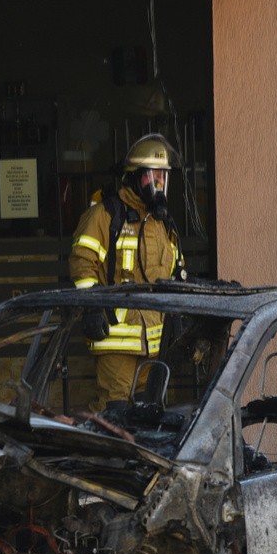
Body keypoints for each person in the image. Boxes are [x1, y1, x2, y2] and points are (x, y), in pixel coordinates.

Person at [69, 133, 185, 412]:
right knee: (114, 412)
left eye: (162, 177)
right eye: (151, 176)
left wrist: (178, 317)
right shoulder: (105, 215)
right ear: (133, 177)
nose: (158, 184)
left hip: (153, 343)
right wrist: (92, 307)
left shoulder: (162, 224)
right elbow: (82, 261)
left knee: (148, 414)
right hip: (116, 338)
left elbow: (176, 273)